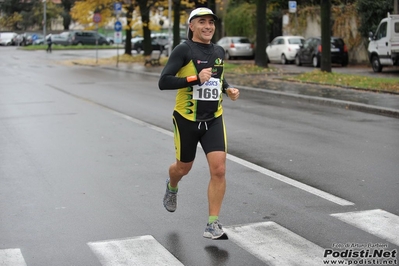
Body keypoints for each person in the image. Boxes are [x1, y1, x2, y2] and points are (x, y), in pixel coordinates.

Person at [158, 7, 240, 240]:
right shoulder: (183, 50)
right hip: (186, 119)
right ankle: (172, 184)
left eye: (211, 22)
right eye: (202, 22)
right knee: (183, 168)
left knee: (220, 169)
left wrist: (228, 89)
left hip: (214, 118)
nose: (208, 26)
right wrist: (194, 78)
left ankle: (212, 224)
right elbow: (163, 82)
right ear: (191, 26)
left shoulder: (218, 50)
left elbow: (217, 77)